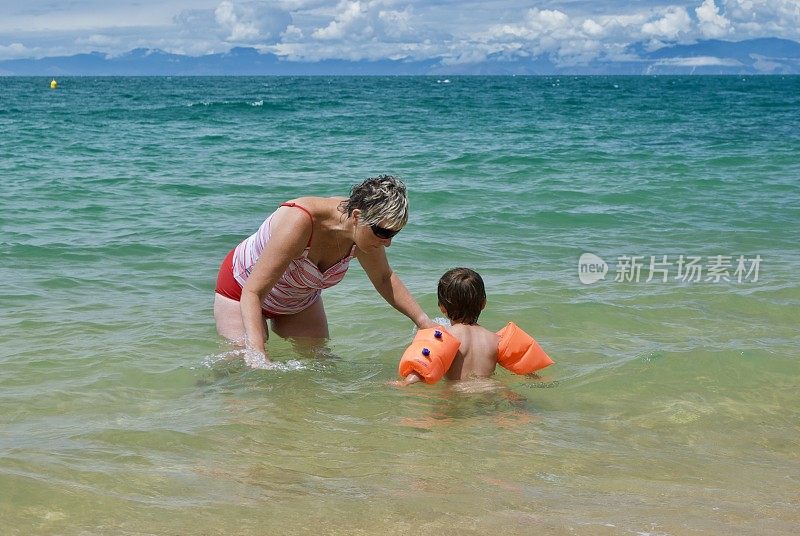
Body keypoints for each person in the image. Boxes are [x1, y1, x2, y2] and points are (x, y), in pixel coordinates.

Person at [214, 175, 434, 365]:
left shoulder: (366, 235)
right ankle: (206, 390)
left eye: (393, 234)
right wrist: (258, 355)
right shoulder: (301, 221)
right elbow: (253, 292)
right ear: (357, 216)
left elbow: (384, 279)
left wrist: (424, 323)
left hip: (298, 298)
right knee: (243, 363)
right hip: (242, 289)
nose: (387, 242)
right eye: (384, 233)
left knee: (320, 364)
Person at [398, 267, 499, 385]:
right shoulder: (495, 339)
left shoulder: (447, 337)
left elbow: (421, 371)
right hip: (490, 389)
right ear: (483, 304)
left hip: (458, 394)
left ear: (442, 307)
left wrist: (404, 383)